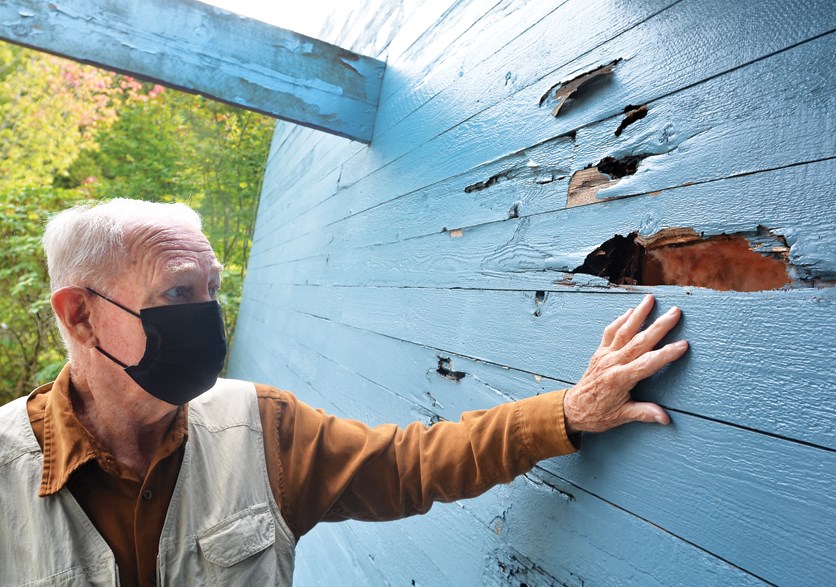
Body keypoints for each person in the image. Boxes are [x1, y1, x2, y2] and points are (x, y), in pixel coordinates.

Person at [0, 199, 688, 586]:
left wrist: (566, 413)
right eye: (179, 292)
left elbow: (413, 462)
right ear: (81, 315)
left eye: (213, 289)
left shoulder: (260, 428)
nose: (208, 314)